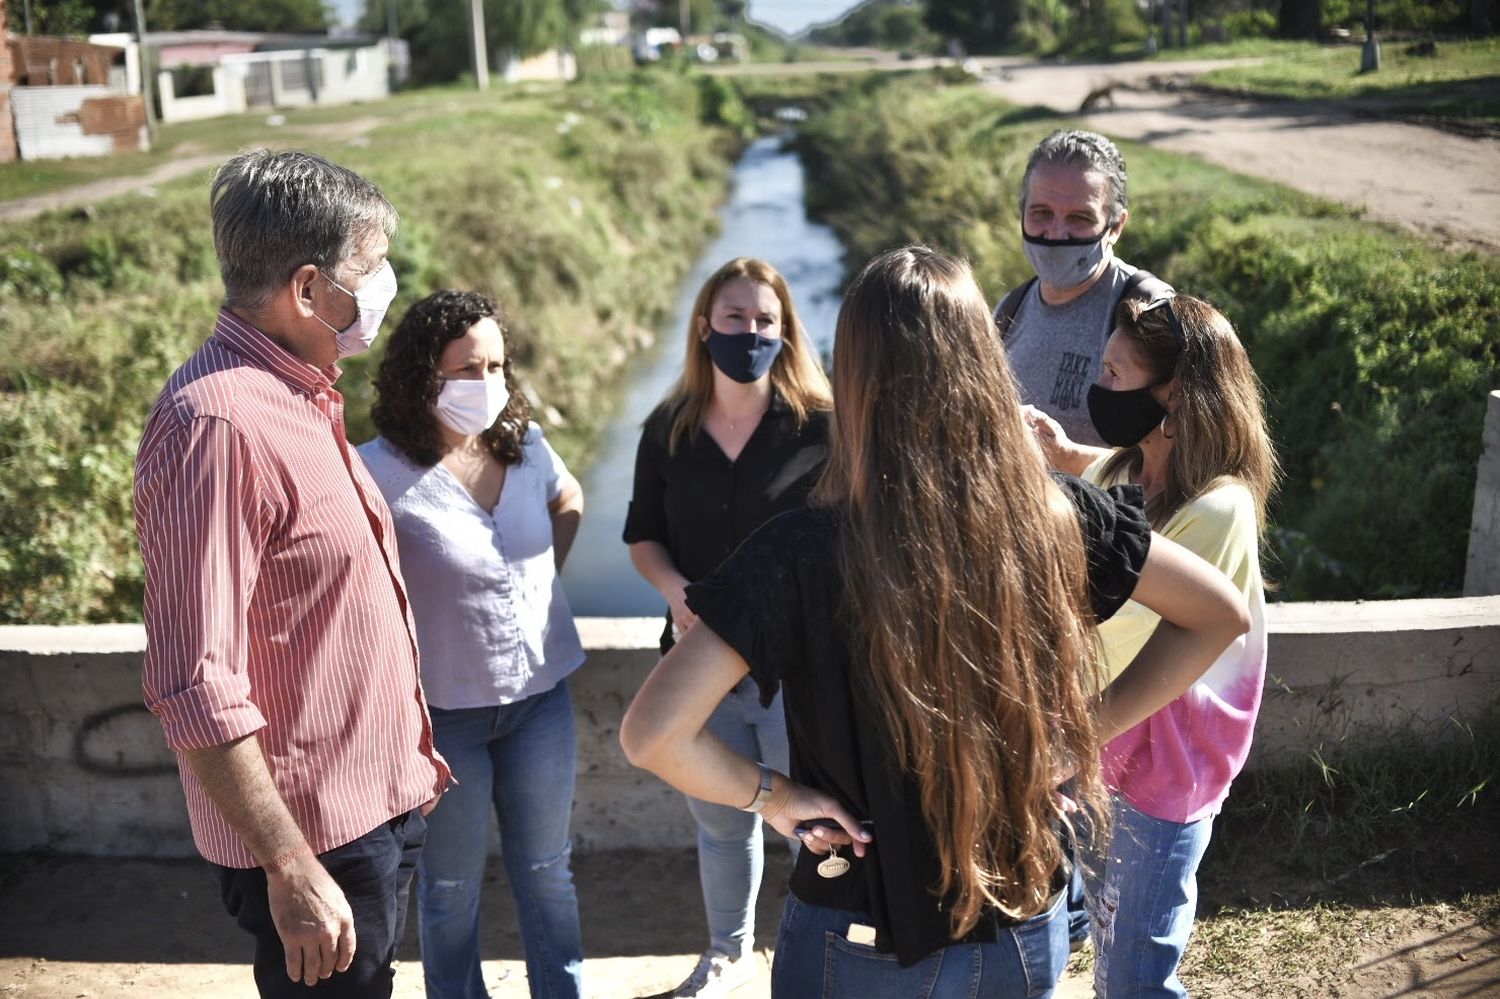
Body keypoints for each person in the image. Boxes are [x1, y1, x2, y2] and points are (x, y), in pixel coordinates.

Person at [618, 246, 1251, 997]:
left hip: (854, 931)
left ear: (852, 377)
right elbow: (1219, 613)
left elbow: (652, 733)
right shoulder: (1054, 513)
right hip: (1021, 918)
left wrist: (776, 798)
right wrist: (1079, 732)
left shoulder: (797, 548)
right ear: (982, 363)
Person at [133, 149, 451, 997]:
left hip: (370, 814)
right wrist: (292, 866)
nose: (386, 284)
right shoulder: (219, 426)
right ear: (309, 290)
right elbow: (195, 682)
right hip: (316, 844)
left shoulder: (301, 392)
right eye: (373, 266)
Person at [1025, 293, 1278, 998]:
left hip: (1168, 763)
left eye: (1115, 374)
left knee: (1136, 970)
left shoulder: (1218, 506)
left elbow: (1125, 620)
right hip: (1108, 741)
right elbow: (1096, 470)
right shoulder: (1130, 466)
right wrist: (1058, 452)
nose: (1098, 389)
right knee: (1101, 920)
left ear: (1175, 397)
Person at [357, 290, 586, 999]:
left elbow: (568, 499)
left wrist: (534, 591)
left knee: (549, 870)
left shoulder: (525, 443)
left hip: (540, 701)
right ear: (421, 374)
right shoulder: (375, 472)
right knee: (450, 886)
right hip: (443, 717)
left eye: (496, 365)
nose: (485, 383)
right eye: (465, 368)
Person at [622, 257, 832, 996]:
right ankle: (728, 955)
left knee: (814, 824)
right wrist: (679, 590)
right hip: (695, 666)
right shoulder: (667, 427)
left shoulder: (823, 426)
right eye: (735, 317)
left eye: (765, 320)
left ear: (786, 330)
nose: (750, 331)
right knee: (722, 824)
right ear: (704, 324)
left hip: (797, 672)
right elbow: (643, 534)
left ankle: (818, 954)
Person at [995, 129, 1172, 449]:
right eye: (1041, 213)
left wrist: (1071, 459)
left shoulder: (1148, 311)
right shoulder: (1008, 312)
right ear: (1022, 214)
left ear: (1116, 226)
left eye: (1079, 218)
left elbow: (1181, 456)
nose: (1056, 234)